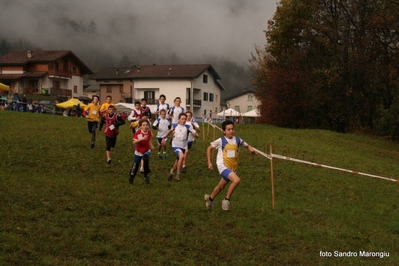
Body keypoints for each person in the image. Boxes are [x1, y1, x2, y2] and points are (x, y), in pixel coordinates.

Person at [204, 120, 256, 211]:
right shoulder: (221, 140)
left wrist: (251, 150)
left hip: (233, 168)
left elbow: (248, 145)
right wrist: (209, 162)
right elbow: (209, 148)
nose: (231, 131)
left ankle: (210, 199)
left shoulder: (238, 140)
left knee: (221, 187)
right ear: (224, 131)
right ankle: (226, 200)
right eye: (228, 129)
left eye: (232, 129)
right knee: (236, 180)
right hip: (223, 166)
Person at [162, 113, 198, 181]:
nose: (184, 120)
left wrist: (195, 135)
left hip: (183, 146)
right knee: (182, 157)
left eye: (185, 119)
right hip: (175, 145)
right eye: (182, 119)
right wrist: (164, 137)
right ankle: (178, 175)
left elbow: (197, 135)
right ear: (179, 119)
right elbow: (170, 131)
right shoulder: (175, 125)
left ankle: (172, 171)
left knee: (178, 161)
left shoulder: (188, 127)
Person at [129, 119, 155, 184]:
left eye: (147, 125)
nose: (145, 126)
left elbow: (148, 140)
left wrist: (151, 145)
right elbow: (134, 142)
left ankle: (146, 175)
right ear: (140, 126)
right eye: (143, 125)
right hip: (138, 151)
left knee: (146, 159)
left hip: (146, 150)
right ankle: (131, 176)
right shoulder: (138, 133)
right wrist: (141, 139)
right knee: (135, 166)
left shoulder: (149, 132)